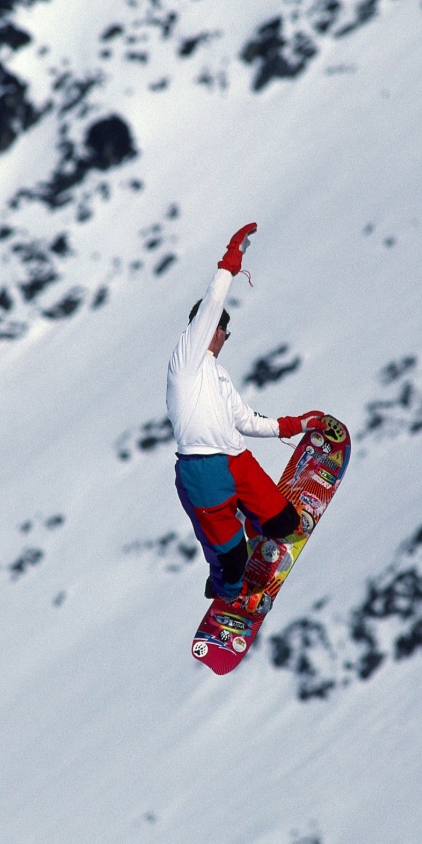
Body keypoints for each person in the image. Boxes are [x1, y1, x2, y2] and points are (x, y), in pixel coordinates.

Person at [166, 223, 326, 608]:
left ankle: (264, 528)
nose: (224, 337)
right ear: (208, 329)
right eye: (223, 330)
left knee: (285, 525)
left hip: (237, 461)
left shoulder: (217, 376)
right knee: (231, 559)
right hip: (202, 473)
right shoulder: (186, 360)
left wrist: (295, 425)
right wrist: (231, 259)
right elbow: (211, 306)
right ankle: (227, 592)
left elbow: (247, 421)